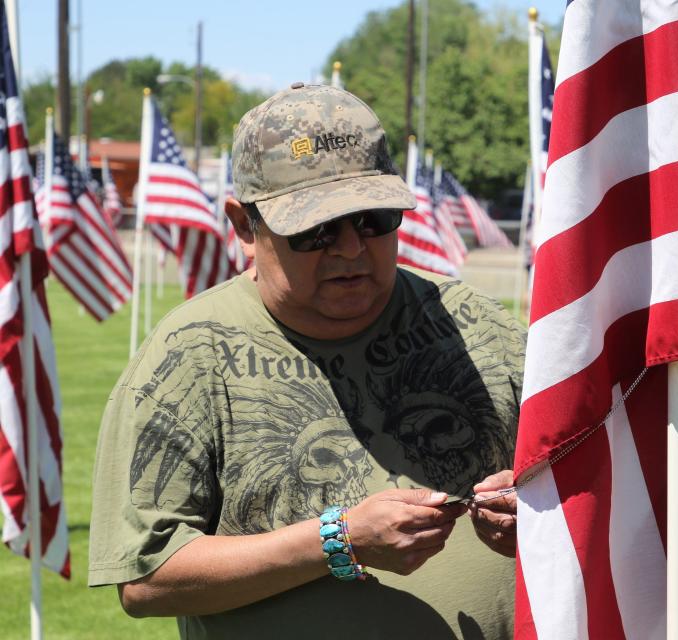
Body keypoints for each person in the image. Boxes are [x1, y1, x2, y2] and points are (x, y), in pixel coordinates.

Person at [89, 83, 524, 639]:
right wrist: (338, 541)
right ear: (245, 226)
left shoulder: (478, 326)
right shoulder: (188, 358)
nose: (349, 248)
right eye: (316, 229)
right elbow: (146, 578)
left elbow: (611, 475)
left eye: (373, 219)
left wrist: (535, 511)